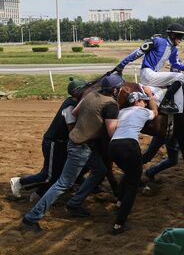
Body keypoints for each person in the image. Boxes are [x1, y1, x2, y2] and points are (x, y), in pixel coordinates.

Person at [21, 73, 122, 232]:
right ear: (115, 90)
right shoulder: (111, 105)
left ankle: (74, 204)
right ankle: (31, 217)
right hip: (81, 147)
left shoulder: (90, 96)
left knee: (100, 170)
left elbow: (75, 113)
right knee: (63, 184)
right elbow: (111, 132)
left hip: (78, 143)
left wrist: (90, 122)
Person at [10, 77, 87, 200]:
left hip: (59, 143)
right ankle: (19, 182)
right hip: (54, 143)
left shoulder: (73, 103)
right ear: (77, 92)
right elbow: (72, 130)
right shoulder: (70, 106)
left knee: (56, 174)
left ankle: (38, 194)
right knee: (49, 175)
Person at [108, 89, 157, 235]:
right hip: (129, 145)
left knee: (129, 173)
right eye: (144, 101)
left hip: (113, 146)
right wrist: (150, 95)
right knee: (133, 184)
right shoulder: (142, 112)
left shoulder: (122, 111)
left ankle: (119, 202)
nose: (146, 104)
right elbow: (155, 112)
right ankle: (119, 224)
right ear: (138, 102)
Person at [113, 23, 184, 113]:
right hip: (148, 73)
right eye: (180, 36)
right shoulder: (158, 41)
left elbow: (175, 64)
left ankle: (140, 96)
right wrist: (121, 65)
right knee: (180, 77)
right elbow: (138, 52)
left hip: (154, 76)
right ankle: (167, 103)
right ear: (172, 35)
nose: (181, 39)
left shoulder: (173, 50)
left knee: (162, 91)